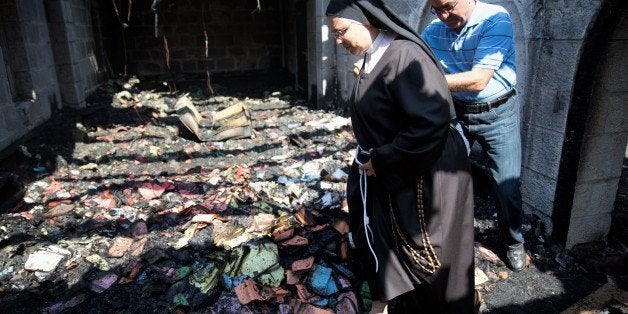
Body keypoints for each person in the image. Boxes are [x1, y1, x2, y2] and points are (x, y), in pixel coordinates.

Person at [326, 0, 475, 312]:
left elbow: (431, 121)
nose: (337, 41)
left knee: (433, 257)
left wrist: (383, 160)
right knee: (404, 250)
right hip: (403, 169)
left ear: (365, 22)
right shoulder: (374, 56)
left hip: (426, 176)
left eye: (340, 32)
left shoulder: (405, 55)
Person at [422, 0, 526, 272]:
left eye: (448, 6)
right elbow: (412, 59)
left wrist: (423, 81)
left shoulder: (495, 19)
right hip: (458, 111)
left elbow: (480, 79)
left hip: (498, 113)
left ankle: (513, 242)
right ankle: (447, 239)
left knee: (506, 185)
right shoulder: (433, 30)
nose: (443, 16)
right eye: (436, 9)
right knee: (441, 174)